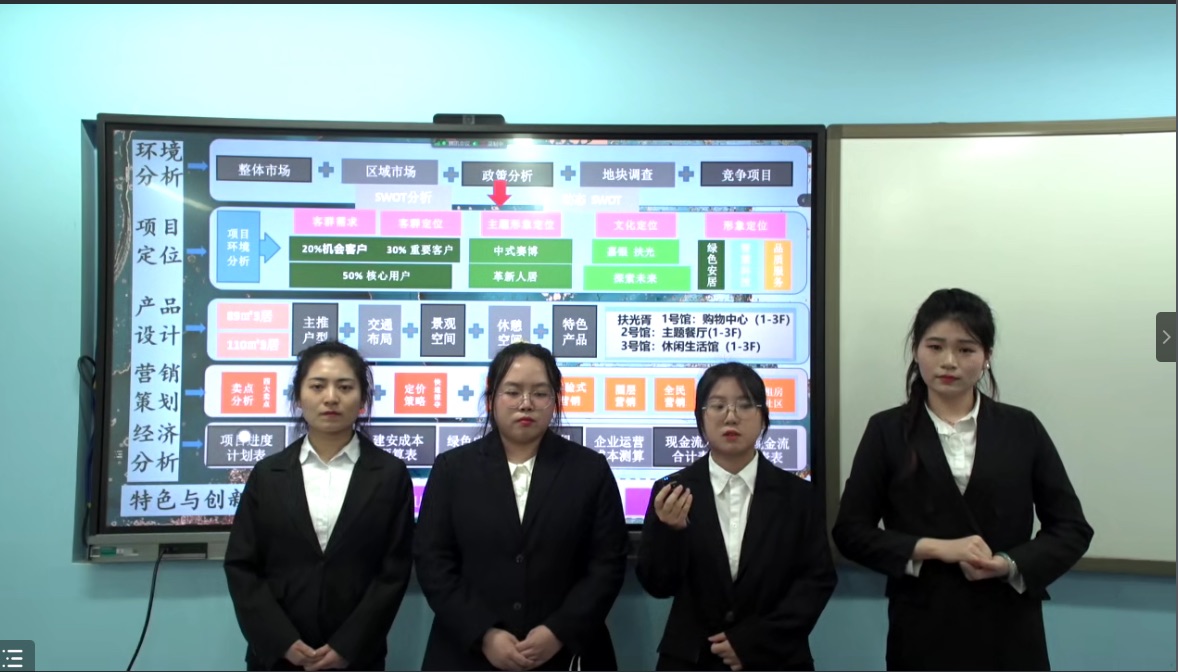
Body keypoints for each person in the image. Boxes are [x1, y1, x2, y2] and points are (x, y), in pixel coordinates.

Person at [832, 288, 1094, 671]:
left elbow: (1071, 529)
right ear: (916, 350)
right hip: (922, 627)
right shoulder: (887, 431)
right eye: (935, 347)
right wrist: (935, 548)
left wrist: (1008, 564)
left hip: (1008, 627)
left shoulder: (1022, 428)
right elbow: (851, 531)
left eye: (966, 349)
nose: (948, 361)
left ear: (987, 357)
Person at [414, 342, 629, 671]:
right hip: (467, 652)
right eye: (513, 392)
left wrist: (558, 631)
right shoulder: (452, 470)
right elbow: (433, 562)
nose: (526, 403)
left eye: (540, 393)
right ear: (491, 398)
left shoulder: (590, 471)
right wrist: (485, 634)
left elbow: (607, 563)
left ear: (555, 401)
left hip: (567, 653)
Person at [224, 340, 415, 671]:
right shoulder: (268, 475)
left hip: (357, 658)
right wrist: (281, 641)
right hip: (277, 658)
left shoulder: (390, 475)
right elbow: (242, 565)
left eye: (345, 387)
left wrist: (348, 646)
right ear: (299, 397)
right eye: (317, 386)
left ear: (363, 399)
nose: (331, 397)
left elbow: (394, 572)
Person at [636, 362, 837, 672]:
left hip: (776, 657)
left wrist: (754, 641)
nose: (731, 416)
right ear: (701, 417)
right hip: (692, 659)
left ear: (763, 416)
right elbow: (658, 585)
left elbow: (817, 581)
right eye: (718, 406)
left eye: (745, 405)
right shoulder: (672, 492)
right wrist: (670, 533)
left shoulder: (798, 496)